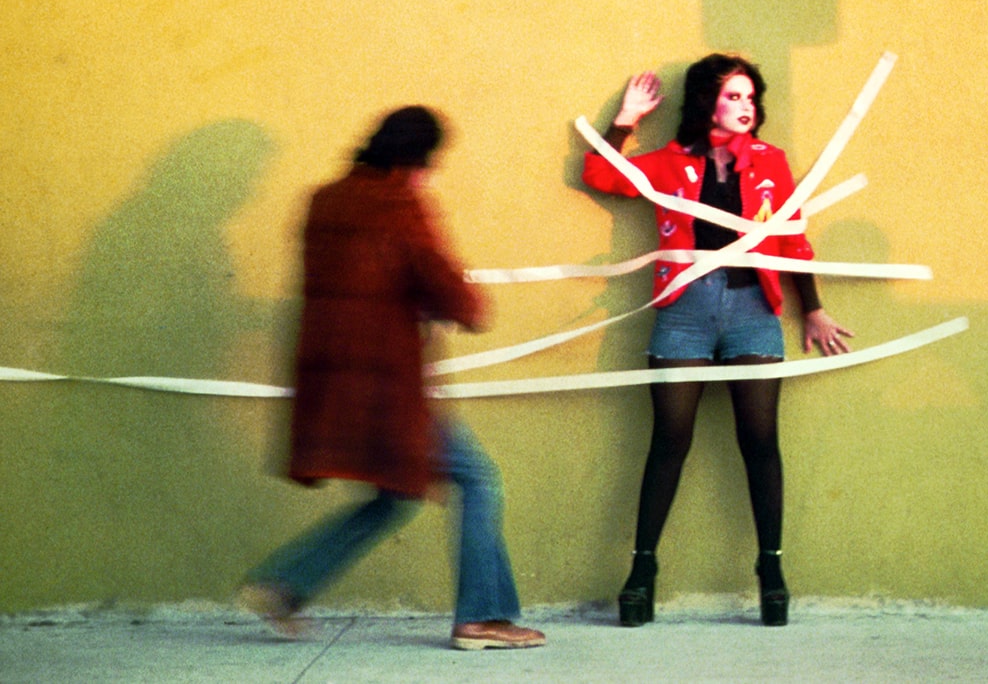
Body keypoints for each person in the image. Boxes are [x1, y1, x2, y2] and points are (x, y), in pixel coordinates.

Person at [239, 106, 545, 651]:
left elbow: (358, 280)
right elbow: (450, 291)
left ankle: (285, 584)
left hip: (337, 387)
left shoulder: (324, 200)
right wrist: (468, 304)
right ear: (418, 160)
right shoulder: (400, 204)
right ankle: (483, 617)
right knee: (478, 479)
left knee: (394, 496)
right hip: (390, 386)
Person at [582, 54, 854, 627]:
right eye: (733, 96)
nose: (745, 107)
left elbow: (792, 237)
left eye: (750, 97)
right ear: (708, 100)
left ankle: (772, 571)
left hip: (753, 310)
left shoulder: (771, 163)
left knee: (759, 441)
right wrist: (625, 121)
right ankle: (641, 572)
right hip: (685, 311)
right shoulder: (668, 163)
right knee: (669, 441)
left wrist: (814, 310)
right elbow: (602, 175)